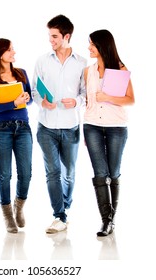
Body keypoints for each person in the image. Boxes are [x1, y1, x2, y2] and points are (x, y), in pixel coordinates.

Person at [31, 14, 87, 234]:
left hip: (71, 126)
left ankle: (65, 208)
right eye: (49, 36)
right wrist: (42, 102)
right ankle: (59, 215)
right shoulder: (42, 61)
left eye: (54, 36)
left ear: (67, 36)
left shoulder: (82, 63)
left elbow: (85, 93)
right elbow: (35, 90)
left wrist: (77, 101)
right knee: (52, 172)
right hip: (46, 127)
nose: (50, 40)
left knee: (69, 173)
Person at [83, 29, 135, 237]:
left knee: (113, 173)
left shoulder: (120, 69)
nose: (89, 48)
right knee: (99, 174)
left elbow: (131, 99)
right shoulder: (88, 71)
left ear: (103, 46)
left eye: (92, 44)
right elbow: (86, 100)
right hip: (92, 125)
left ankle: (112, 220)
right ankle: (106, 221)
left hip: (116, 127)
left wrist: (107, 97)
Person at [0, 38, 33, 233]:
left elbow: (28, 100)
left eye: (13, 49)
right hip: (0, 129)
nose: (13, 53)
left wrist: (26, 99)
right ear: (0, 54)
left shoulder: (21, 73)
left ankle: (18, 207)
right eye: (10, 50)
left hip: (23, 127)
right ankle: (7, 215)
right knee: (5, 174)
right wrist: (14, 102)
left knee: (26, 173)